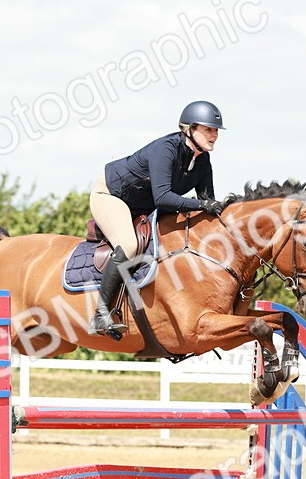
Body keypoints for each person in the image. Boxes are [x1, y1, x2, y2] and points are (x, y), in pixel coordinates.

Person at [88, 100, 226, 337]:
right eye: (208, 129)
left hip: (143, 205)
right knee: (129, 245)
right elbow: (163, 197)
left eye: (215, 131)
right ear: (189, 129)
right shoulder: (166, 149)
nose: (214, 135)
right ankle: (100, 315)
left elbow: (207, 204)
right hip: (112, 196)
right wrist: (203, 204)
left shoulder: (203, 161)